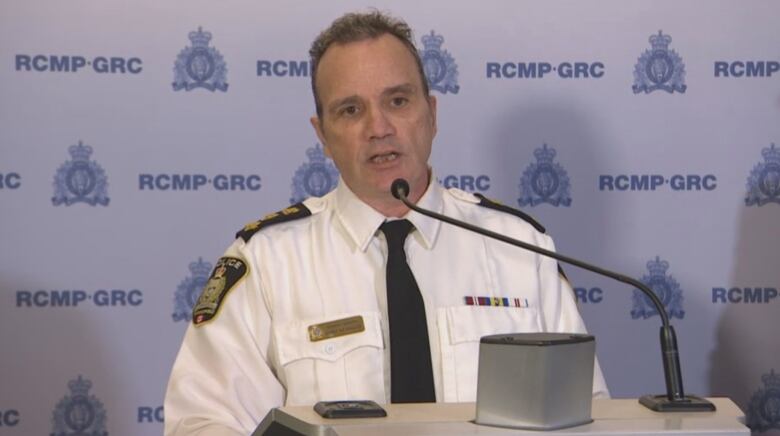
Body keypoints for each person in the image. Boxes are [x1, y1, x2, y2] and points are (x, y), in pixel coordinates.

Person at [164, 10, 609, 435]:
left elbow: (584, 414)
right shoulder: (267, 260)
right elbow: (206, 420)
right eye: (351, 110)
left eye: (397, 101)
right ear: (322, 135)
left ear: (431, 114)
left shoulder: (518, 246)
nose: (379, 127)